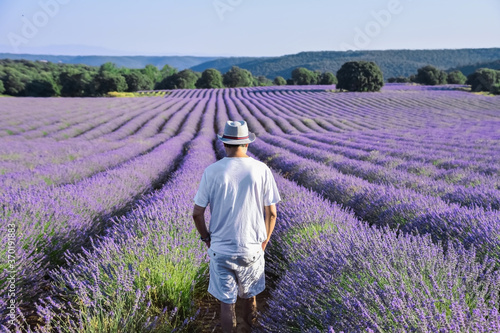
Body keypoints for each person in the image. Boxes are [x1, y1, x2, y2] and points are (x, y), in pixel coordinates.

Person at [192, 120, 280, 332]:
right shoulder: (261, 170)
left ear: (224, 144)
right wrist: (265, 240)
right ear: (247, 144)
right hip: (252, 247)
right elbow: (273, 213)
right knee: (250, 298)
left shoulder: (212, 171)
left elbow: (197, 214)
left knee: (226, 303)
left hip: (221, 249)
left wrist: (206, 239)